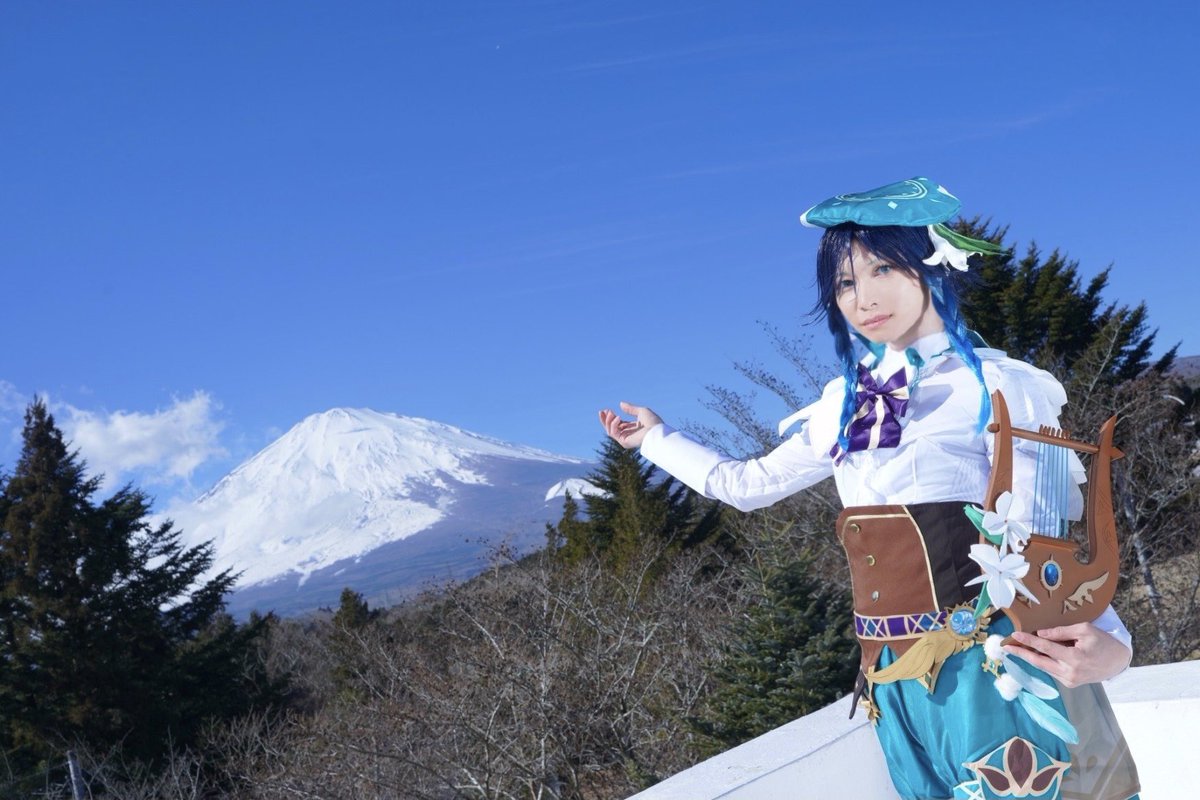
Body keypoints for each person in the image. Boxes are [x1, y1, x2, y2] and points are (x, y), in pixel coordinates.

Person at [599, 178, 1140, 800]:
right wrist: (656, 439)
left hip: (991, 664)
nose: (863, 298)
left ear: (931, 264)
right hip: (888, 673)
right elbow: (747, 484)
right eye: (845, 283)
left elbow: (1043, 536)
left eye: (882, 268)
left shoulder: (998, 386)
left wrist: (1116, 646)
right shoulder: (844, 402)